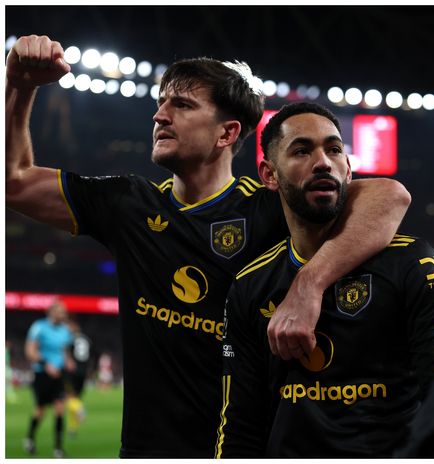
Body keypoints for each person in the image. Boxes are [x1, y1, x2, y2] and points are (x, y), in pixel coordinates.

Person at [6, 35, 410, 457]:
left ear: (227, 133)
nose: (160, 116)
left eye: (181, 105)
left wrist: (308, 284)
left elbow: (389, 197)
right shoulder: (127, 205)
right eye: (161, 104)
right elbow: (13, 181)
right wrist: (18, 84)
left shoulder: (271, 209)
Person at [214, 102, 434, 457]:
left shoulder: (412, 262)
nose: (323, 162)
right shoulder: (250, 284)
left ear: (347, 171)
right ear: (269, 174)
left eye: (333, 149)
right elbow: (239, 425)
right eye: (301, 150)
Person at [23, 301, 75, 458]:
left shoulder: (66, 330)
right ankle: (30, 439)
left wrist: (69, 361)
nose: (64, 315)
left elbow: (64, 351)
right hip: (42, 374)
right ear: (51, 312)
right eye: (61, 312)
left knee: (60, 408)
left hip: (58, 374)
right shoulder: (39, 327)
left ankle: (58, 448)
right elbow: (30, 351)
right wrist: (46, 365)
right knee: (40, 410)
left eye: (65, 312)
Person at [65, 319, 92, 436]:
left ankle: (80, 409)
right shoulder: (87, 339)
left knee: (69, 397)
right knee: (76, 398)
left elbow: (66, 353)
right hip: (84, 371)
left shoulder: (70, 339)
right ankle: (72, 429)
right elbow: (92, 356)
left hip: (72, 370)